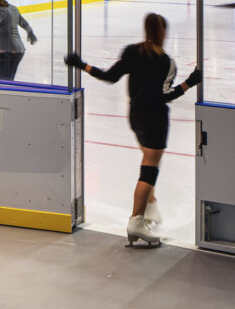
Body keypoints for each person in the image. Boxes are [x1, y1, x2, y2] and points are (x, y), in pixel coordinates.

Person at [65, 13, 200, 247]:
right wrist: (190, 82)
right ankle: (136, 221)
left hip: (135, 118)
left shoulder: (132, 52)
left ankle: (150, 209)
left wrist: (81, 64)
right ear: (164, 33)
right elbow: (164, 96)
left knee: (147, 163)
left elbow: (109, 77)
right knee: (149, 170)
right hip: (155, 121)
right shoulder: (166, 62)